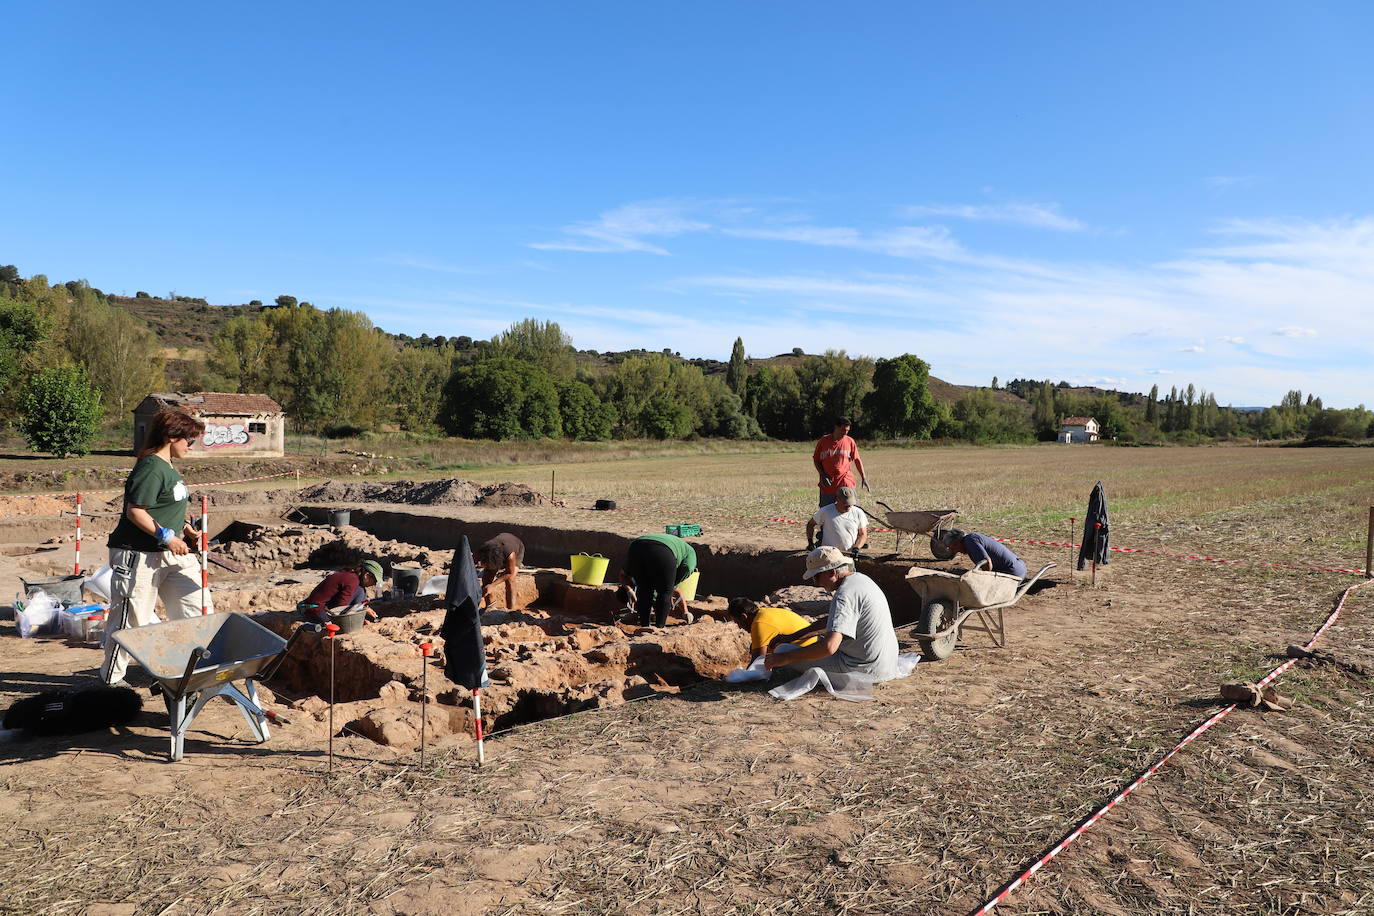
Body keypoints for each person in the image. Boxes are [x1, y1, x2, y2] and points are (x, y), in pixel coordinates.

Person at [102, 409, 215, 687]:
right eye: (189, 440)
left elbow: (164, 506)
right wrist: (167, 537)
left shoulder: (168, 467)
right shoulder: (151, 467)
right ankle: (112, 683)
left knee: (197, 611)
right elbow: (135, 512)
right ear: (171, 436)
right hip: (139, 556)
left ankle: (185, 673)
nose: (192, 446)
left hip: (171, 555)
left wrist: (186, 529)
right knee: (130, 622)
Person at [762, 546, 898, 680]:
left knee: (783, 650)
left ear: (832, 572)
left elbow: (829, 648)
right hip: (887, 665)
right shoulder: (860, 580)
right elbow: (834, 622)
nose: (815, 583)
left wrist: (784, 658)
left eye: (816, 577)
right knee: (802, 646)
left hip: (863, 671)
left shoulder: (844, 595)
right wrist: (792, 637)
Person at [619, 532, 697, 627]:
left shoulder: (681, 549)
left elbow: (622, 574)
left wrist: (685, 611)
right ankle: (659, 628)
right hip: (663, 551)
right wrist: (671, 584)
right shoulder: (690, 553)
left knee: (644, 589)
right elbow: (688, 568)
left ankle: (644, 626)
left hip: (636, 546)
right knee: (665, 592)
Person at [726, 597, 817, 659]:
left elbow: (757, 663)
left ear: (743, 617)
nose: (739, 627)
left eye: (737, 622)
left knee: (779, 650)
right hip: (814, 646)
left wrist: (741, 677)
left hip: (811, 653)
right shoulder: (764, 613)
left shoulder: (759, 623)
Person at [299, 560, 384, 622]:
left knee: (361, 592)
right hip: (315, 611)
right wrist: (357, 621)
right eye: (375, 581)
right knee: (360, 592)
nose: (374, 584)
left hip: (311, 607)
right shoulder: (353, 581)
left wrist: (365, 609)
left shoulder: (351, 576)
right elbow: (340, 608)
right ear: (366, 575)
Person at [813, 416, 868, 507]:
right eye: (843, 430)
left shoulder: (850, 441)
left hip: (846, 481)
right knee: (826, 510)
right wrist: (822, 475)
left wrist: (864, 477)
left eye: (847, 431)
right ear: (836, 427)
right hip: (828, 483)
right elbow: (816, 460)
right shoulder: (823, 441)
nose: (845, 433)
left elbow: (857, 460)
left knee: (852, 508)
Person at [937, 529, 1026, 578]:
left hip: (1012, 571)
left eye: (954, 548)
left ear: (957, 542)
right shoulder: (971, 539)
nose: (955, 552)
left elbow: (987, 563)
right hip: (1018, 567)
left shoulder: (970, 541)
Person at [807, 486, 869, 553]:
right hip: (829, 554)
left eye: (850, 504)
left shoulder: (858, 512)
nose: (848, 506)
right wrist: (810, 543)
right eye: (845, 504)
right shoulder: (825, 511)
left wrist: (857, 548)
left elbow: (863, 534)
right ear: (837, 500)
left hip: (849, 554)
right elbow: (810, 524)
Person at [475, 532, 525, 609]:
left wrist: (492, 585)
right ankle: (490, 607)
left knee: (510, 580)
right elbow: (470, 563)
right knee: (486, 578)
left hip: (517, 547)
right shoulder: (482, 551)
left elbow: (509, 573)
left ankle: (511, 610)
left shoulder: (510, 555)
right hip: (495, 551)